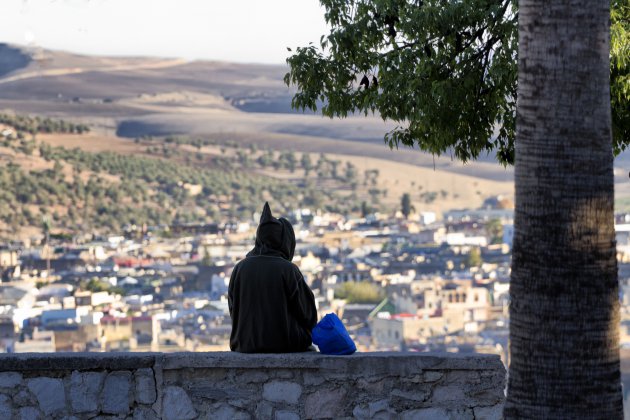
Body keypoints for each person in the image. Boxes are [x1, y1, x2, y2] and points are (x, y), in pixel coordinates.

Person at [228, 202, 317, 353]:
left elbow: (233, 309)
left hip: (244, 345)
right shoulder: (288, 270)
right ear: (284, 241)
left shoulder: (239, 268)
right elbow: (308, 316)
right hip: (286, 344)